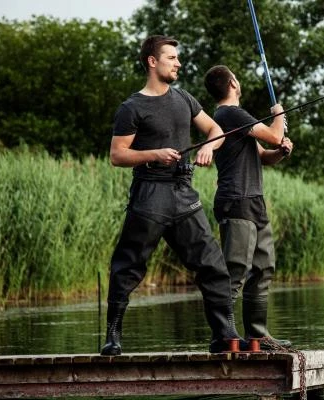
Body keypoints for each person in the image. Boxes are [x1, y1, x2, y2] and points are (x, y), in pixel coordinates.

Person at [101, 36, 241, 355]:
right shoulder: (132, 107)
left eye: (178, 58)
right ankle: (113, 336)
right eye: (171, 57)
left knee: (213, 265)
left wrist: (208, 147)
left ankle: (225, 335)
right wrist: (154, 154)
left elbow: (215, 130)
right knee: (128, 265)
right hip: (149, 195)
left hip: (184, 195)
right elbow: (117, 155)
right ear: (153, 62)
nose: (178, 63)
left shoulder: (184, 99)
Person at [204, 65, 293, 350]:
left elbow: (265, 155)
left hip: (254, 201)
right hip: (236, 201)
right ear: (232, 83)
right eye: (237, 78)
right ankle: (223, 336)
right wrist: (279, 115)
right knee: (236, 271)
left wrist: (280, 152)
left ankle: (257, 335)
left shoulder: (234, 120)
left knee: (263, 268)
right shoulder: (229, 114)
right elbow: (274, 134)